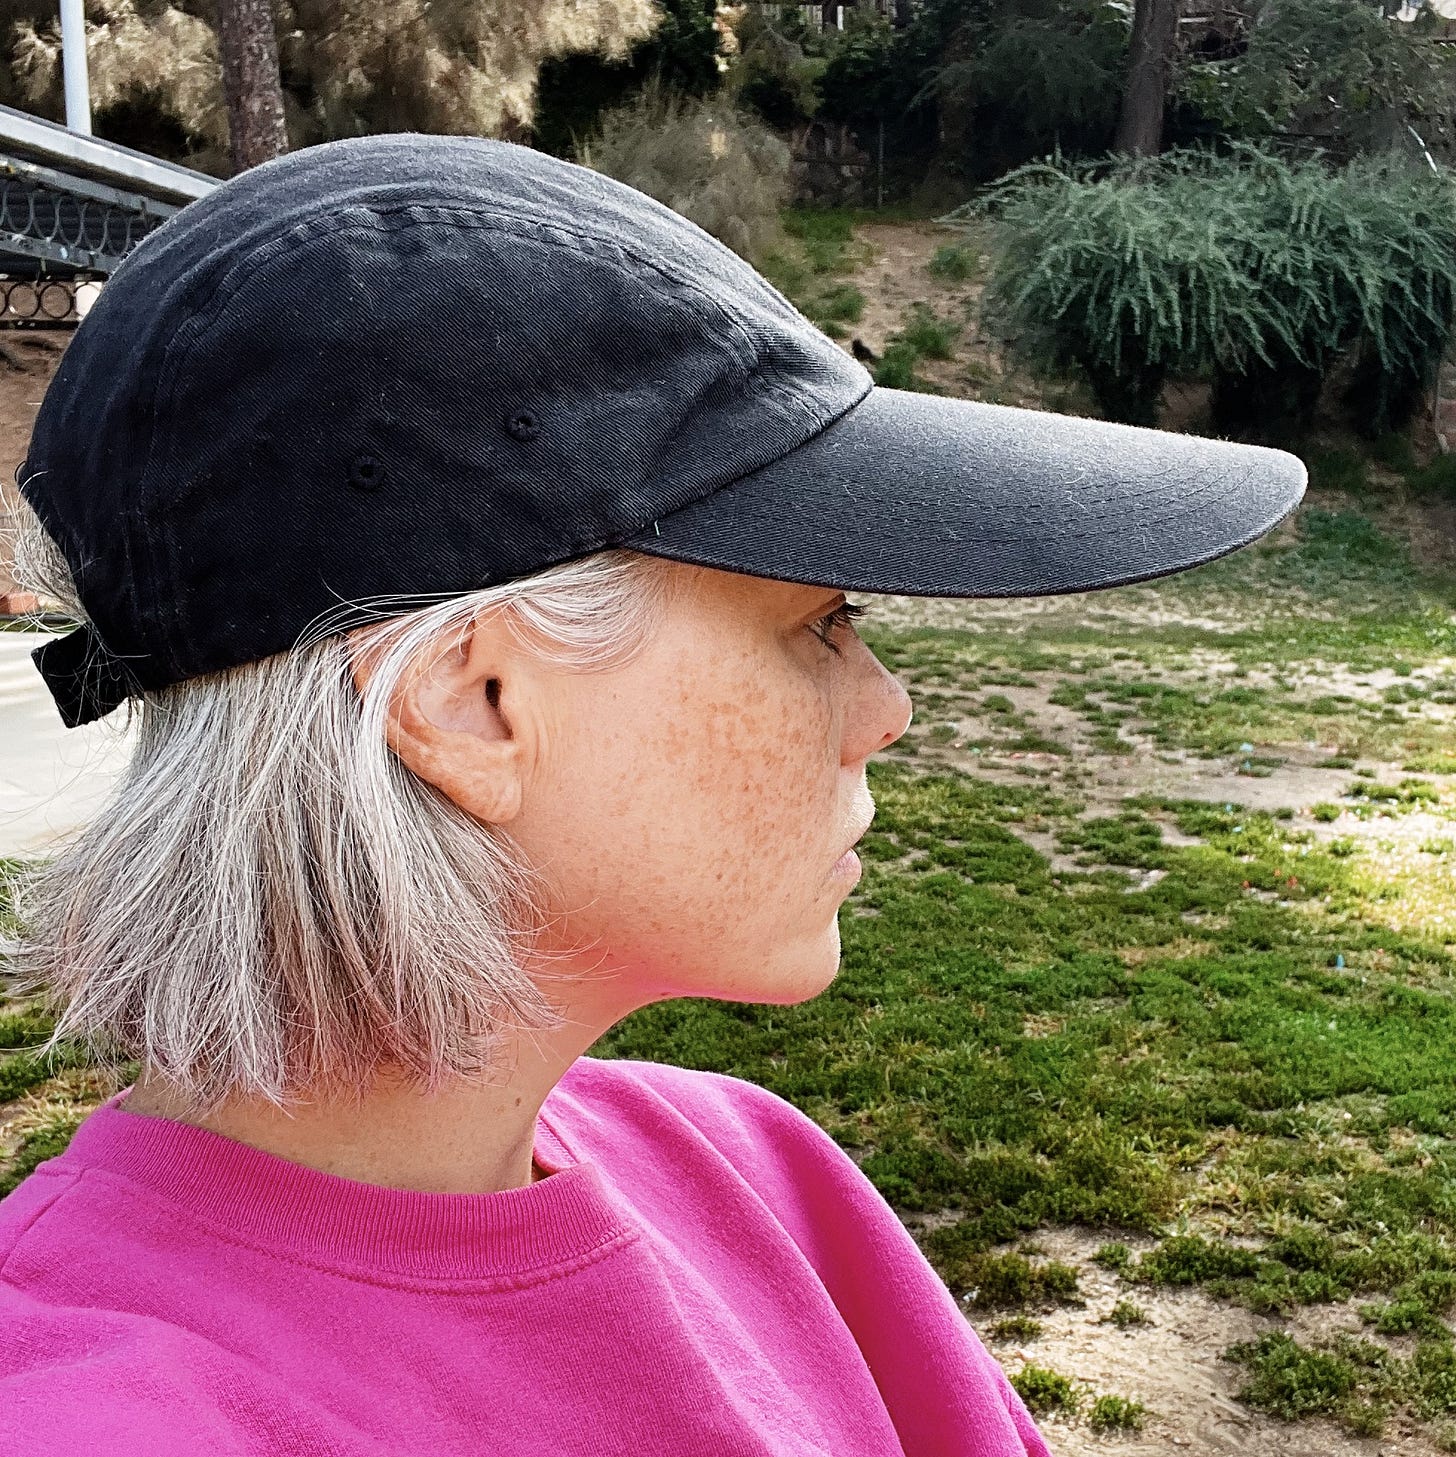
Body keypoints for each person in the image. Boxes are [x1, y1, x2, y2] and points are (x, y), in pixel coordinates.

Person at [0, 134, 1305, 1456]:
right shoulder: (96, 1417)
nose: (887, 709)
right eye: (822, 622)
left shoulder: (755, 1173)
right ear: (476, 703)